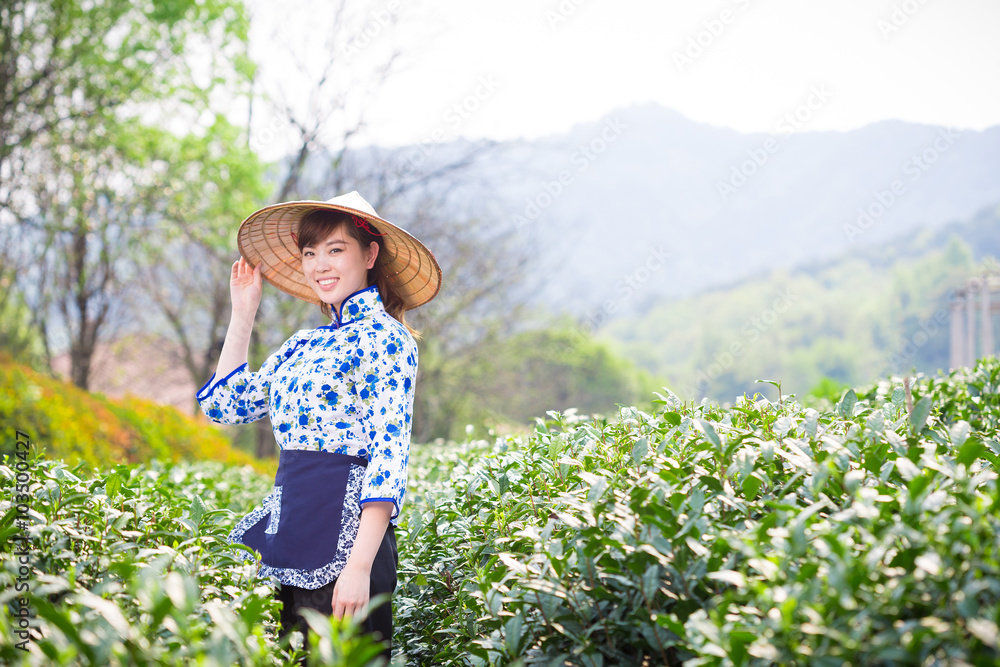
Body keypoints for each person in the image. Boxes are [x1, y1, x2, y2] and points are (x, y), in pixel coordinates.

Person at [196, 191, 441, 661]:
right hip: (290, 537)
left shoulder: (386, 339)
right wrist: (243, 312)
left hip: (351, 548)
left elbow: (388, 456)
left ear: (369, 255)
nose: (319, 264)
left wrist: (359, 568)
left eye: (335, 249)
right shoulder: (301, 344)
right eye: (310, 253)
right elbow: (226, 407)